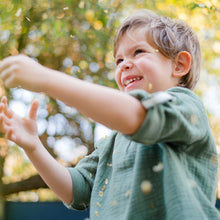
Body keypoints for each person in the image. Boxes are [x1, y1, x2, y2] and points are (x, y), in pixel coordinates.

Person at [0, 9, 219, 219]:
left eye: (138, 52)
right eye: (119, 60)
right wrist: (33, 145)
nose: (124, 65)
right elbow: (74, 190)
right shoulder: (114, 142)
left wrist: (46, 80)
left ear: (179, 65)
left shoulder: (184, 105)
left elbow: (137, 115)